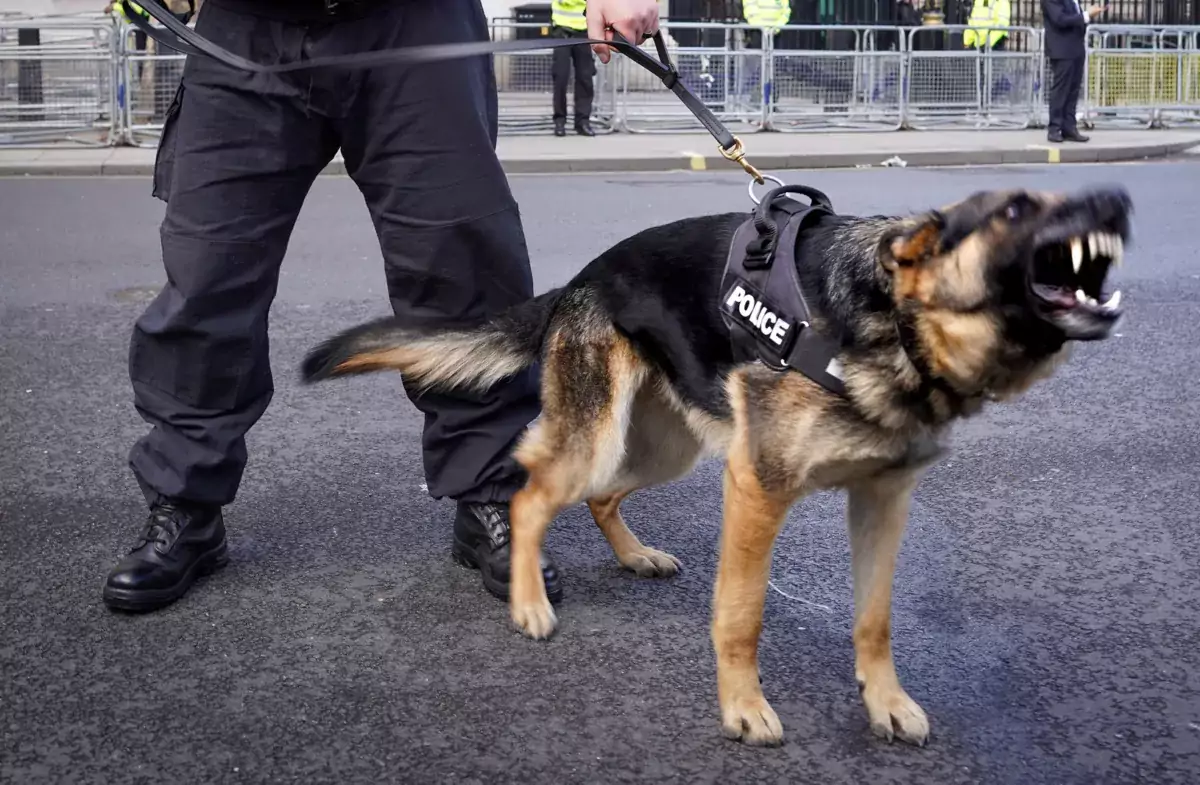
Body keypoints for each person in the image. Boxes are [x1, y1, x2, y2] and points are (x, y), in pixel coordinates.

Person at [101, 0, 660, 614]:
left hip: (417, 20)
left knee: (463, 272)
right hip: (244, 27)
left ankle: (489, 498)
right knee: (208, 276)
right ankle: (186, 504)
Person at [1042, 0, 1106, 143]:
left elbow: (1074, 18)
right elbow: (1059, 20)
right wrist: (1085, 15)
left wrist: (1087, 16)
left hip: (1076, 47)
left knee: (1073, 90)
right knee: (1061, 90)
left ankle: (1069, 127)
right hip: (1062, 49)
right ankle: (1054, 128)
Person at [551, 0, 596, 137]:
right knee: (561, 77)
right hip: (562, 31)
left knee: (585, 78)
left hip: (584, 31)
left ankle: (583, 122)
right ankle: (560, 121)